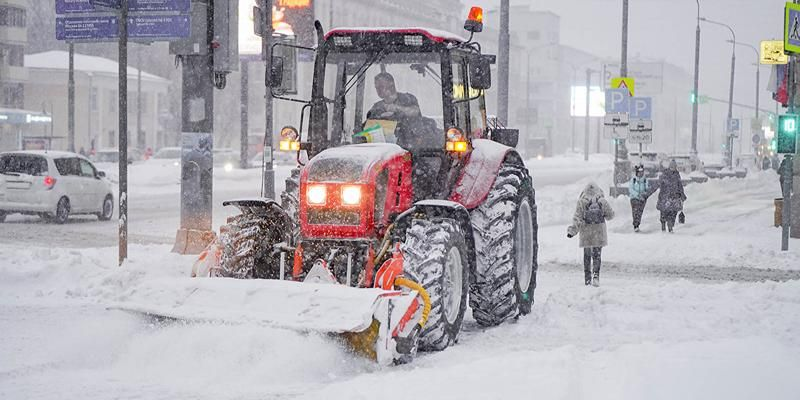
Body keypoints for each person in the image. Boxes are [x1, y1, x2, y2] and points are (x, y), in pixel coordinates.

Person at [567, 182, 615, 286]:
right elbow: (610, 216)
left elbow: (577, 218)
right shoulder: (601, 200)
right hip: (599, 231)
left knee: (587, 256)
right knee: (597, 255)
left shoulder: (582, 201)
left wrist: (572, 231)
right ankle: (596, 276)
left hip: (586, 232)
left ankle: (587, 278)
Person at [656, 160, 687, 233]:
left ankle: (670, 226)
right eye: (672, 166)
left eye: (674, 167)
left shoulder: (677, 175)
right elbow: (660, 184)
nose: (673, 168)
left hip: (675, 197)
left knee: (673, 212)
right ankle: (663, 225)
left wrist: (682, 195)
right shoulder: (664, 175)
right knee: (664, 212)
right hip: (665, 196)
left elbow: (680, 186)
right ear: (669, 166)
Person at [628, 164, 651, 232]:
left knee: (639, 212)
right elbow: (631, 189)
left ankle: (637, 223)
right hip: (634, 198)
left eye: (642, 172)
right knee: (635, 211)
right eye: (639, 172)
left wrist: (644, 194)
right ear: (637, 173)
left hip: (642, 199)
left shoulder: (645, 180)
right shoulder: (633, 180)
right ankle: (636, 225)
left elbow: (647, 189)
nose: (641, 174)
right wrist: (637, 195)